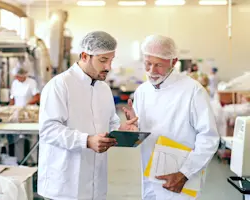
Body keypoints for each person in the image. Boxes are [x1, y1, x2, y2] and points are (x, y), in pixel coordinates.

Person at [38, 31, 138, 200]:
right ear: (85, 56)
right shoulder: (60, 85)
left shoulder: (103, 88)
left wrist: (122, 129)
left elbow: (110, 122)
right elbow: (48, 130)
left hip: (95, 183)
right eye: (103, 60)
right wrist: (86, 140)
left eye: (111, 60)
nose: (108, 67)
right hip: (64, 184)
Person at [123, 35, 220, 200]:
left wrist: (184, 173)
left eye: (159, 65)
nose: (152, 71)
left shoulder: (192, 91)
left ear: (174, 62)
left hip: (182, 179)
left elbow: (209, 137)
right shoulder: (143, 91)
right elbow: (143, 132)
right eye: (148, 63)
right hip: (150, 177)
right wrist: (133, 128)